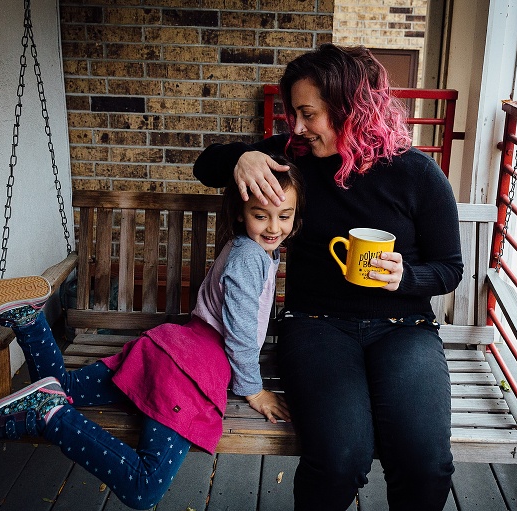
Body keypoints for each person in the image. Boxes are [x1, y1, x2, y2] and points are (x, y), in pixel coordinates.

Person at [193, 43, 463, 510]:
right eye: (293, 114)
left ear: (349, 110)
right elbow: (205, 166)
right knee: (338, 459)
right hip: (316, 325)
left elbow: (450, 269)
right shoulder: (292, 158)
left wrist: (406, 278)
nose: (295, 127)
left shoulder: (417, 174)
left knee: (425, 464)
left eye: (307, 114)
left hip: (404, 330)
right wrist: (241, 158)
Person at [0, 163, 304, 510]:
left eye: (283, 216)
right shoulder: (251, 259)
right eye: (261, 215)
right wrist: (254, 390)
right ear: (241, 213)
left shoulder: (246, 248)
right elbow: (240, 331)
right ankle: (51, 416)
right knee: (143, 488)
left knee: (61, 385)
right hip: (191, 374)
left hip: (168, 347)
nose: (274, 227)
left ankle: (28, 320)